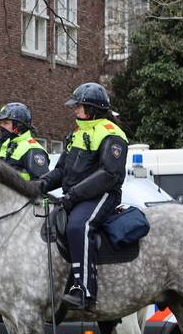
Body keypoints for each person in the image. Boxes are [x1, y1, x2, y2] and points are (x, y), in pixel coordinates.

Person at [38, 83, 128, 310]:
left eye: (78, 106)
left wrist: (74, 195)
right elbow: (61, 170)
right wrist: (40, 184)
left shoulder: (112, 134)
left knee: (79, 226)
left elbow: (109, 174)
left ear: (92, 109)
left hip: (103, 194)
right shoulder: (76, 133)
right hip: (77, 196)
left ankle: (85, 291)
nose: (75, 111)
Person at [0, 102, 50, 181]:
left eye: (5, 123)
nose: (1, 126)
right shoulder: (3, 146)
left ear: (19, 126)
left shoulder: (33, 150)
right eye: (1, 122)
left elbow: (41, 185)